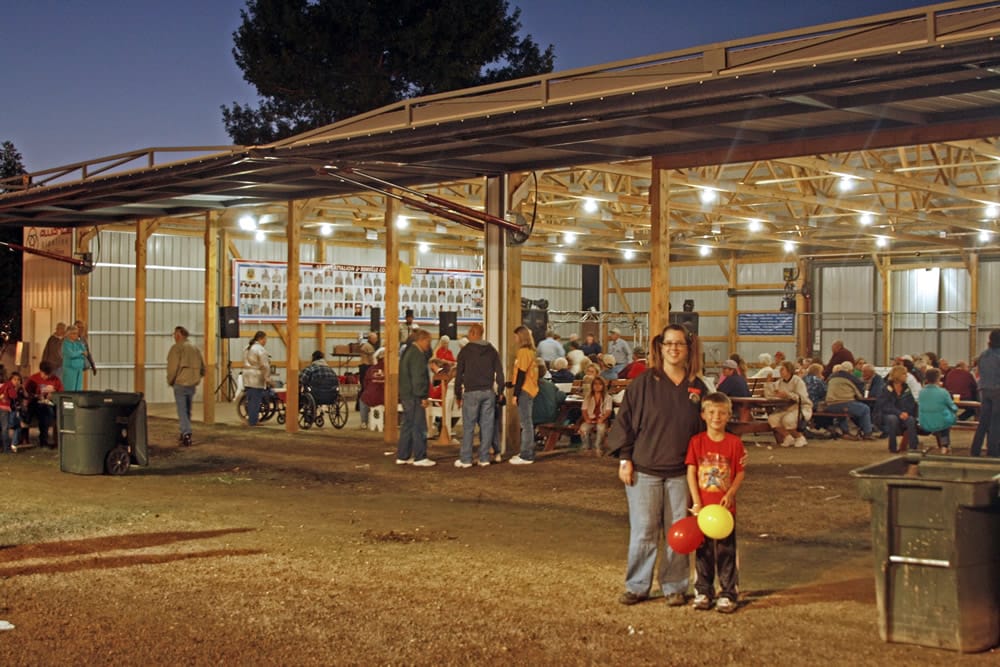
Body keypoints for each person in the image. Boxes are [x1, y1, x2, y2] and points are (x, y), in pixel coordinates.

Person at [609, 322, 710, 607]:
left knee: (678, 533)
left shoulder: (698, 388)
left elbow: (708, 430)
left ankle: (675, 586)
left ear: (688, 349)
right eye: (669, 343)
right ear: (660, 347)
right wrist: (625, 458)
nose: (674, 349)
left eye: (679, 343)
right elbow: (625, 422)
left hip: (682, 474)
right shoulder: (643, 384)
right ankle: (637, 585)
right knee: (643, 531)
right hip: (645, 469)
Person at [685, 392, 746, 614]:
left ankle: (728, 592)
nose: (716, 417)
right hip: (703, 508)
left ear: (729, 415)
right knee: (703, 550)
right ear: (703, 415)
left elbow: (739, 472)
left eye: (721, 413)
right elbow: (691, 471)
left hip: (724, 510)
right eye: (711, 412)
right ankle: (704, 590)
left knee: (726, 550)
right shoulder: (696, 442)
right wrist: (696, 501)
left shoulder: (734, 443)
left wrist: (730, 492)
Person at [397, 329, 436, 467]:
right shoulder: (417, 355)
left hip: (406, 394)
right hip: (415, 396)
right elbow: (418, 378)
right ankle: (420, 457)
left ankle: (403, 456)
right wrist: (423, 396)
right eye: (428, 341)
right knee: (419, 426)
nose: (429, 345)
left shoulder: (407, 352)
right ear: (421, 339)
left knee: (407, 425)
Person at [166, 326, 206, 447]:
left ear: (178, 335)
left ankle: (186, 433)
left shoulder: (176, 348)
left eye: (174, 334)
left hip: (180, 383)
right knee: (187, 409)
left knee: (182, 410)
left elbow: (173, 367)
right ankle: (185, 431)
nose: (174, 336)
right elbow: (203, 368)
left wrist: (170, 380)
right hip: (192, 384)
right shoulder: (195, 348)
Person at [508, 325, 539, 465]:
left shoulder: (523, 352)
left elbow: (521, 373)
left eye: (516, 336)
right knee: (527, 423)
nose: (514, 339)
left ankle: (527, 455)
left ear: (520, 336)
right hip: (529, 389)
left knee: (526, 423)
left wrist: (515, 394)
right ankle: (525, 452)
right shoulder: (530, 352)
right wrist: (511, 383)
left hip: (525, 390)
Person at [764, 360, 812, 448]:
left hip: (801, 407)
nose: (780, 371)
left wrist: (788, 395)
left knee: (787, 420)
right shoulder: (780, 382)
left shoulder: (797, 381)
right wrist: (768, 383)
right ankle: (788, 437)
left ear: (789, 370)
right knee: (772, 419)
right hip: (786, 408)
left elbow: (802, 397)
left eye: (782, 369)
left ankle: (800, 437)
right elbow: (769, 394)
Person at [825, 362, 874, 440]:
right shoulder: (851, 378)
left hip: (830, 405)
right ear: (850, 370)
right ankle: (867, 433)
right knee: (865, 409)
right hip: (843, 404)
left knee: (842, 413)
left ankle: (845, 432)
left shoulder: (831, 377)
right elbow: (860, 395)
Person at [877, 365, 919, 453]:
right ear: (898, 375)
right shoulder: (886, 389)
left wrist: (906, 412)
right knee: (892, 419)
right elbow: (885, 406)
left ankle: (913, 447)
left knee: (910, 419)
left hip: (903, 413)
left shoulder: (906, 388)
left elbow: (911, 403)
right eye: (904, 374)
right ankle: (893, 447)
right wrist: (899, 413)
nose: (906, 376)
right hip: (888, 414)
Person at [971, 330, 1000, 458]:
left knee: (983, 421)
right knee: (995, 421)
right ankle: (993, 451)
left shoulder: (983, 355)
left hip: (984, 390)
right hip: (998, 390)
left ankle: (975, 449)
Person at [918, 368, 958, 454]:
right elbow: (953, 407)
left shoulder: (921, 392)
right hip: (941, 422)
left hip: (924, 422)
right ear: (938, 378)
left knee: (940, 419)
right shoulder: (943, 392)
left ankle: (942, 444)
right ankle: (944, 445)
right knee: (945, 422)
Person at [25, 361, 63, 448]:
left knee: (51, 412)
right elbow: (27, 394)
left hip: (51, 404)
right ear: (41, 371)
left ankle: (54, 440)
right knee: (45, 413)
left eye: (49, 375)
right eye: (45, 375)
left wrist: (54, 394)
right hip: (37, 404)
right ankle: (43, 440)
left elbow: (61, 392)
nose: (47, 377)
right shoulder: (33, 379)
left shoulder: (55, 380)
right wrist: (37, 396)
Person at [578, 375, 612, 455]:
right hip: (590, 418)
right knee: (583, 428)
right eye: (595, 384)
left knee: (601, 428)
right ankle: (586, 447)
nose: (597, 386)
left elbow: (608, 411)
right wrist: (586, 419)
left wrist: (602, 418)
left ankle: (598, 447)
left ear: (603, 386)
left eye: (600, 384)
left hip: (601, 419)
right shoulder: (588, 397)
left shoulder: (608, 397)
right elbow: (584, 409)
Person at [243, 331, 270, 426]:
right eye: (265, 339)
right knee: (256, 400)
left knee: (249, 400)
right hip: (256, 376)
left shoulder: (247, 347)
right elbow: (265, 365)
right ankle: (253, 421)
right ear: (261, 339)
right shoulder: (260, 349)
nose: (266, 341)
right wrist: (267, 377)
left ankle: (250, 418)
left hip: (246, 376)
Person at [532, 359, 566, 426]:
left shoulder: (528, 385)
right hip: (550, 418)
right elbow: (560, 397)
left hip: (532, 418)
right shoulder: (550, 385)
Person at [359, 349, 385, 430]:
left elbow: (365, 383)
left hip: (370, 396)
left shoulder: (371, 369)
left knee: (362, 400)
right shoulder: (391, 369)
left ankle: (364, 422)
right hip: (385, 397)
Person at [0, 372, 25, 453]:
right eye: (15, 379)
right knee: (5, 428)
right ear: (10, 379)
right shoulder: (10, 386)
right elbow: (13, 396)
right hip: (5, 409)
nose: (17, 381)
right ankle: (6, 448)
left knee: (7, 427)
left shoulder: (5, 385)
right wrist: (16, 389)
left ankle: (8, 446)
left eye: (18, 380)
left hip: (6, 409)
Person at [61, 325, 88, 391]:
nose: (76, 335)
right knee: (70, 388)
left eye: (77, 333)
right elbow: (71, 354)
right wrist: (80, 353)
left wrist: (80, 351)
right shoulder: (66, 343)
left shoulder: (78, 343)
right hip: (70, 369)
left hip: (79, 369)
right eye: (74, 333)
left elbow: (85, 353)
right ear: (69, 334)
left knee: (78, 389)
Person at [357, 332, 379, 412]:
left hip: (363, 367)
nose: (376, 340)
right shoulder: (368, 346)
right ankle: (362, 406)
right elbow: (372, 359)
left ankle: (358, 406)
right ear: (370, 338)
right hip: (366, 367)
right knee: (365, 387)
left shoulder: (366, 345)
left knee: (363, 387)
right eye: (375, 338)